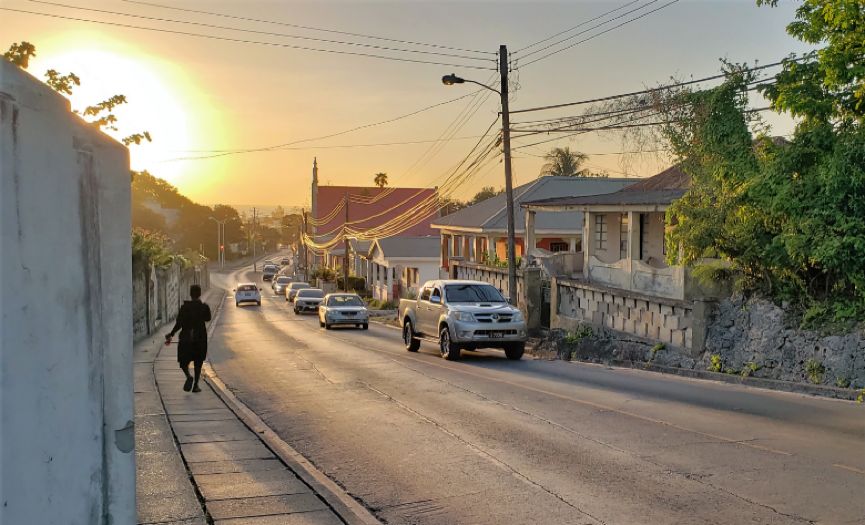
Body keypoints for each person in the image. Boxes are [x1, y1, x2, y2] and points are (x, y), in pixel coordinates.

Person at [165, 284, 212, 393]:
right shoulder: (204, 307)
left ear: (190, 294)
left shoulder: (184, 307)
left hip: (186, 338)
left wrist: (171, 334)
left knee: (183, 361)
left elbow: (179, 323)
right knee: (198, 362)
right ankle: (195, 385)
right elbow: (208, 318)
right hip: (200, 338)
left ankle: (188, 376)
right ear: (199, 294)